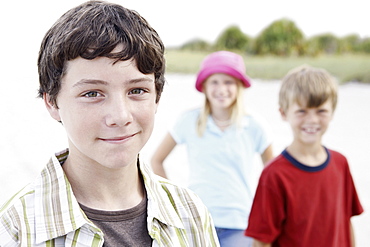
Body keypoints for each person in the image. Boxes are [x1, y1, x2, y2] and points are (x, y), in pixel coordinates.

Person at [0, 1, 220, 246]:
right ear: (52, 102)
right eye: (92, 93)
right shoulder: (16, 228)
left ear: (157, 96)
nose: (120, 116)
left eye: (137, 90)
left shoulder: (191, 214)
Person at [151, 51, 274, 247]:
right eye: (214, 82)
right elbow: (157, 160)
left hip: (239, 223)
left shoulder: (254, 125)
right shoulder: (189, 120)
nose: (221, 89)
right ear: (205, 86)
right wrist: (174, 203)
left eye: (228, 82)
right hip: (197, 220)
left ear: (239, 86)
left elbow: (273, 175)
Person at [245, 65, 364, 247]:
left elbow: (346, 222)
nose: (312, 120)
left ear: (332, 112)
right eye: (301, 111)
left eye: (321, 111)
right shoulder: (274, 175)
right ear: (284, 113)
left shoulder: (341, 164)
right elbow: (261, 241)